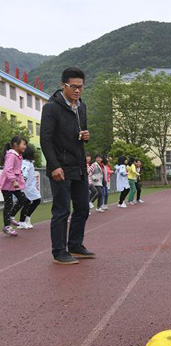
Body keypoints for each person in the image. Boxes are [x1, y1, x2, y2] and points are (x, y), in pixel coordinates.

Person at [40, 67, 95, 264]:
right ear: (63, 85)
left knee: (82, 208)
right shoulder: (51, 108)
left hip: (78, 166)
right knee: (62, 211)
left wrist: (85, 136)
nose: (77, 90)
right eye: (73, 86)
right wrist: (54, 166)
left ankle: (75, 245)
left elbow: (80, 134)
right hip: (60, 167)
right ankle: (58, 252)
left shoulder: (81, 107)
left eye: (81, 87)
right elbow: (45, 140)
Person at [0, 136, 27, 236]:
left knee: (23, 200)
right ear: (16, 145)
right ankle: (7, 226)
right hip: (8, 184)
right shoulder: (11, 155)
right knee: (9, 204)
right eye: (23, 144)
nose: (25, 147)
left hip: (14, 185)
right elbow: (8, 169)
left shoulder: (18, 156)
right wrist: (13, 180)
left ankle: (11, 217)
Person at [10, 144, 41, 229]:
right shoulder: (26, 162)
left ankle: (24, 220)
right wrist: (21, 182)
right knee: (34, 200)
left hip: (28, 187)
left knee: (29, 201)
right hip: (26, 187)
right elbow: (24, 173)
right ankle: (22, 219)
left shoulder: (28, 162)